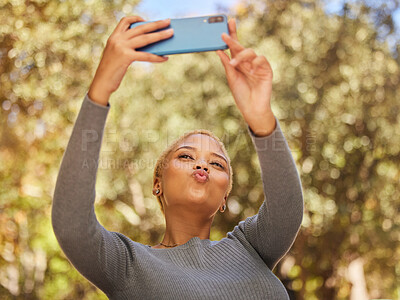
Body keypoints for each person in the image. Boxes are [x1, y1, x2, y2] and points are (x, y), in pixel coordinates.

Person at [52, 15, 304, 299]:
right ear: (157, 183)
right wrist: (99, 92)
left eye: (217, 163)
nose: (202, 164)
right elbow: (72, 226)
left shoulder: (252, 247)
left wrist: (261, 119)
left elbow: (287, 208)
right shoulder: (126, 266)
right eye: (186, 156)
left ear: (224, 199)